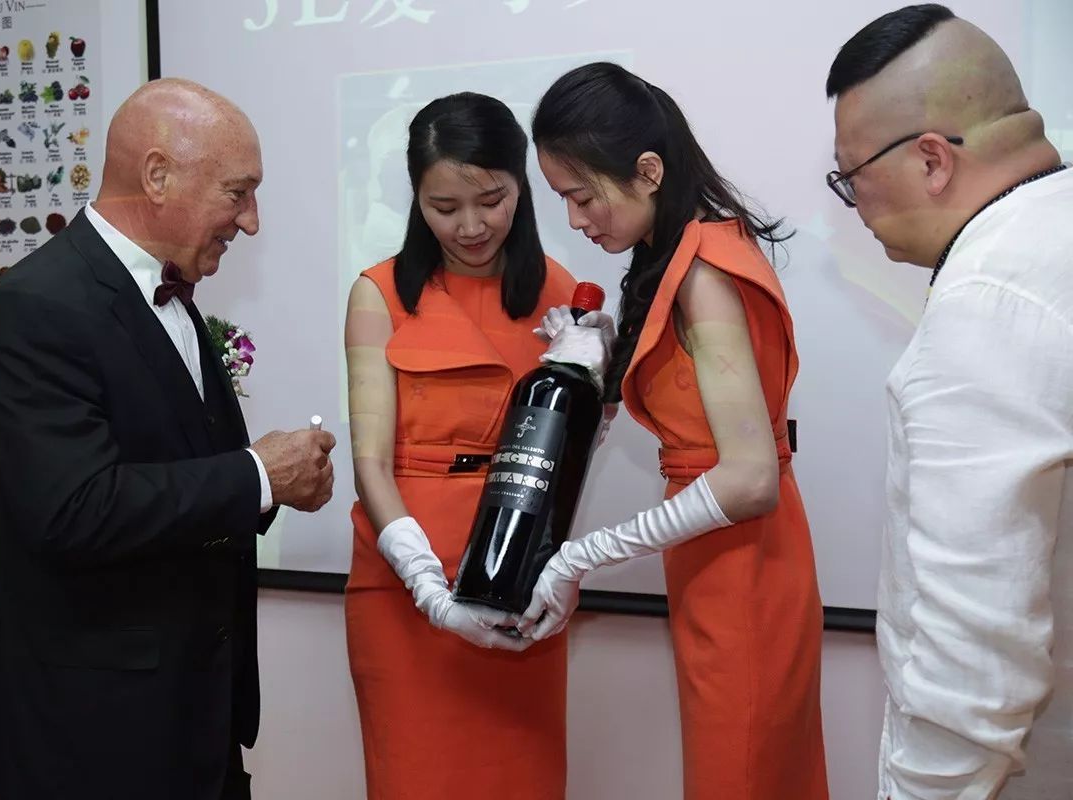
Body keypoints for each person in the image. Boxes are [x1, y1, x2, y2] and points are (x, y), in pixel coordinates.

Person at [0, 78, 336, 799]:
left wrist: (274, 485)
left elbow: (174, 465)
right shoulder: (35, 305)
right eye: (238, 192)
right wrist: (257, 476)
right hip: (88, 732)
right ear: (157, 176)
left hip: (189, 714)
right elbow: (72, 510)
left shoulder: (171, 293)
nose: (251, 221)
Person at [521, 62, 829, 800]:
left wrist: (581, 556)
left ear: (649, 171)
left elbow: (748, 479)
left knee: (740, 776)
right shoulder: (683, 256)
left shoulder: (704, 272)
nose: (575, 220)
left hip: (743, 566)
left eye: (582, 196)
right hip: (720, 560)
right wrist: (591, 363)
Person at [826, 6, 1073, 798]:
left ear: (932, 160)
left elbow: (974, 661)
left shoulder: (986, 306)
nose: (854, 203)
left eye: (851, 178)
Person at [343, 91, 581, 799]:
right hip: (403, 581)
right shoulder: (378, 293)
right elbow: (368, 463)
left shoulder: (561, 295)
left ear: (520, 186)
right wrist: (424, 583)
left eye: (491, 200)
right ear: (416, 199)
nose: (471, 226)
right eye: (444, 207)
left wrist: (563, 565)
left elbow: (568, 454)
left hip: (517, 578)